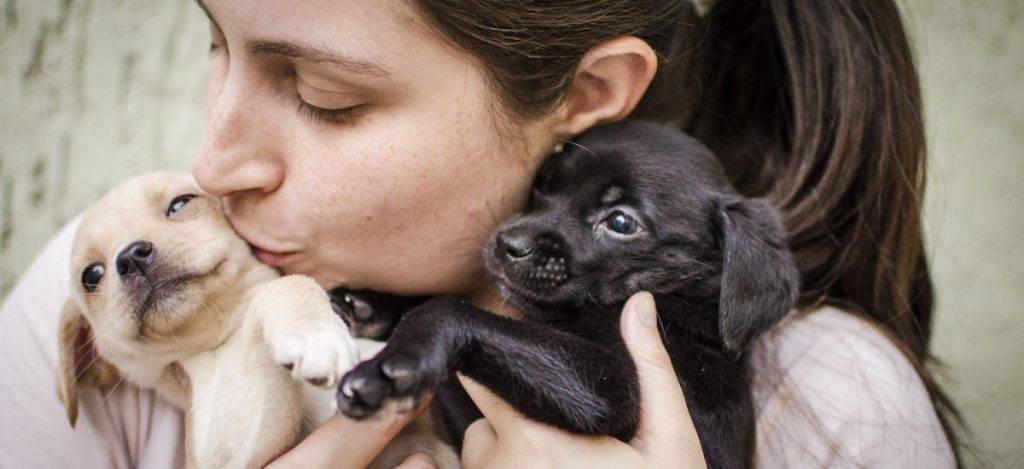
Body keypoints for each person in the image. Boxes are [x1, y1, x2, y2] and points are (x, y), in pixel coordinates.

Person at [0, 0, 961, 467]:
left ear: (586, 96)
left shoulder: (829, 405)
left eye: (324, 95)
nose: (212, 166)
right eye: (217, 41)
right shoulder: (118, 316)